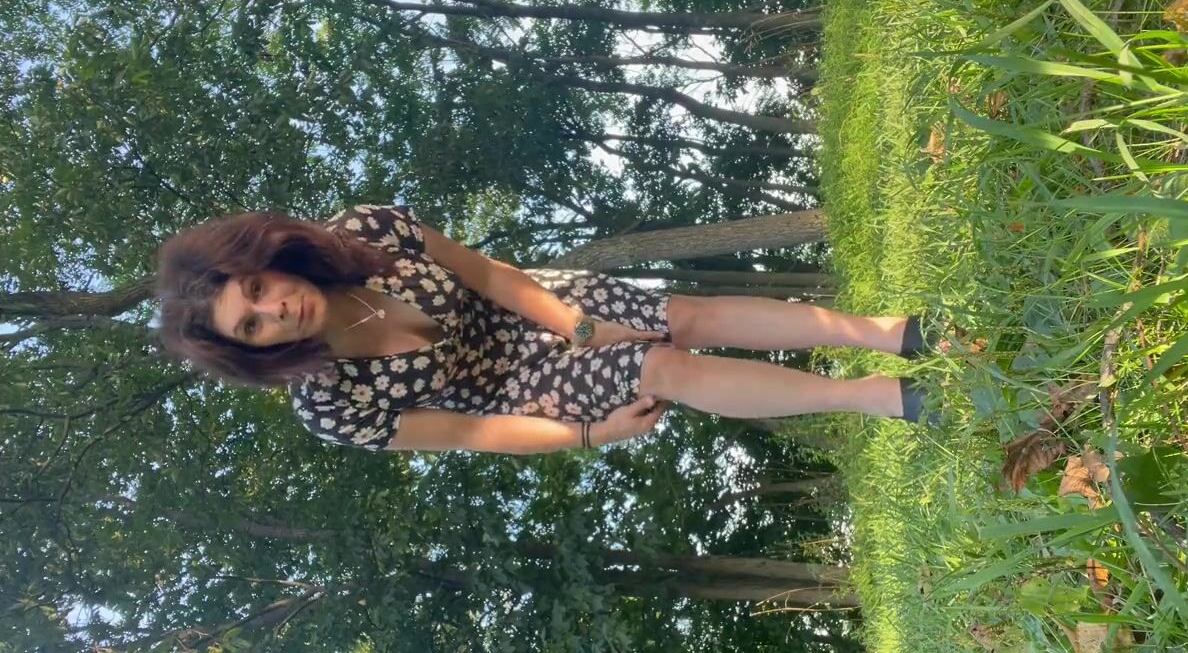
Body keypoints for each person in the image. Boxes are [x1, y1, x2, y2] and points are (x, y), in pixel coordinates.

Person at [154, 204, 934, 455]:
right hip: (515, 386)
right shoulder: (330, 406)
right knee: (663, 368)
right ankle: (872, 396)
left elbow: (491, 275)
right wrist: (590, 436)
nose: (274, 309)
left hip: (529, 306)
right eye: (251, 326)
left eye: (257, 288)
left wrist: (579, 324)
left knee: (680, 317)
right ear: (256, 352)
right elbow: (472, 432)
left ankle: (887, 331)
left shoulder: (366, 231)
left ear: (265, 258)